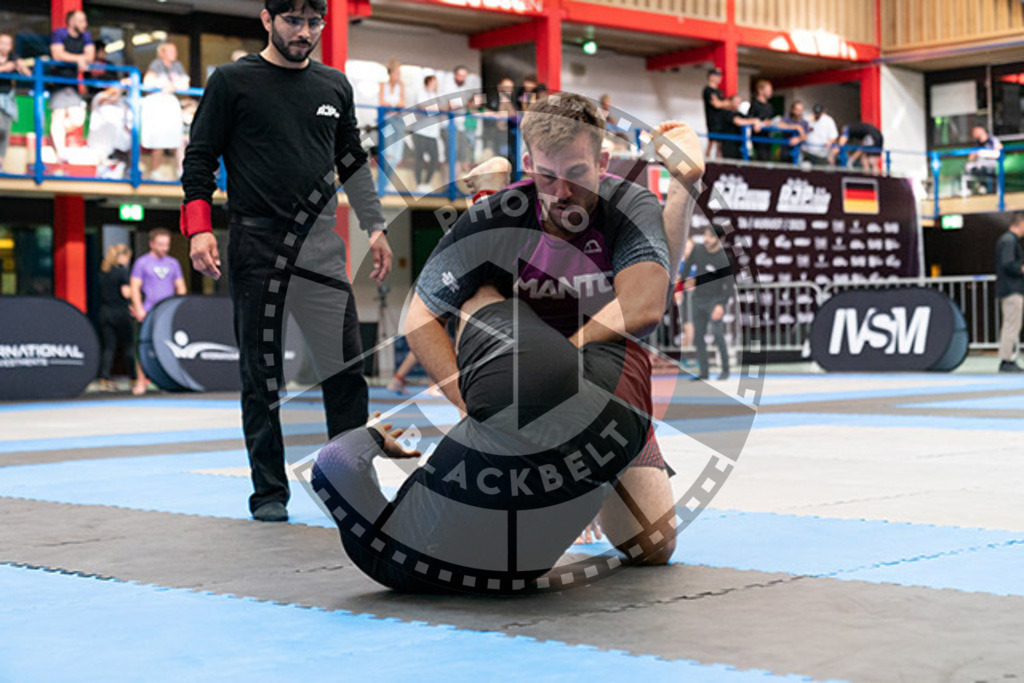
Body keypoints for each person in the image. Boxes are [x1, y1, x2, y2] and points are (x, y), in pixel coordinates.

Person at [403, 95, 705, 567]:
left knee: (652, 547)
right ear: (529, 165)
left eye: (578, 175)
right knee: (479, 295)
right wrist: (472, 407)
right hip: (516, 371)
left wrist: (685, 188)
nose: (562, 192)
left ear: (603, 163)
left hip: (601, 383)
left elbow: (647, 302)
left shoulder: (627, 204)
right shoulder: (504, 214)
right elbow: (418, 319)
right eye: (547, 177)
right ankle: (483, 194)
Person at [181, 0, 392, 523]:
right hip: (257, 246)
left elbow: (352, 162)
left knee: (346, 373)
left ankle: (352, 485)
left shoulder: (334, 86)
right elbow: (200, 157)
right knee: (262, 375)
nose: (304, 32)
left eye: (313, 21)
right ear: (267, 20)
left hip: (322, 247)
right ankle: (269, 492)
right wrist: (199, 226)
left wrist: (375, 224)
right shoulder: (231, 81)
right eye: (293, 21)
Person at [130, 228, 187, 395]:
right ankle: (141, 382)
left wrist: (178, 308)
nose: (165, 248)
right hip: (148, 311)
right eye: (161, 244)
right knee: (142, 347)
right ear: (152, 244)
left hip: (166, 312)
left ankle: (167, 380)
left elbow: (181, 287)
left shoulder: (173, 263)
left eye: (167, 245)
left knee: (168, 346)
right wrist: (139, 308)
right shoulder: (142, 263)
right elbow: (134, 287)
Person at [685, 225, 732, 381]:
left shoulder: (724, 259)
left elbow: (729, 286)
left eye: (711, 237)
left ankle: (725, 370)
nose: (706, 239)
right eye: (705, 235)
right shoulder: (697, 250)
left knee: (718, 335)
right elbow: (687, 266)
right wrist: (684, 280)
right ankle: (704, 372)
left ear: (720, 240)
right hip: (698, 298)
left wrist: (721, 305)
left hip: (715, 301)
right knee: (698, 337)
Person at [49, 10, 95, 163]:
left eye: (85, 20)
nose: (85, 24)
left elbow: (90, 56)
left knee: (78, 118)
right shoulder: (59, 33)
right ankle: (60, 152)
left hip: (73, 83)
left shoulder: (86, 36)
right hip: (57, 81)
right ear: (71, 22)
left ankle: (56, 134)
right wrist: (79, 59)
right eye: (81, 21)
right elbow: (57, 54)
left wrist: (78, 59)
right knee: (59, 114)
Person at [143, 42, 190, 180]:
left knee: (178, 138)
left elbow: (185, 84)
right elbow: (148, 82)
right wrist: (164, 84)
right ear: (163, 52)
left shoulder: (177, 66)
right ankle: (155, 170)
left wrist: (172, 86)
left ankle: (181, 171)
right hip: (157, 105)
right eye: (171, 51)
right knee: (159, 138)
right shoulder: (156, 64)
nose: (174, 53)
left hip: (170, 106)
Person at [97, 244, 135, 391]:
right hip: (121, 312)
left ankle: (104, 378)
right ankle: (133, 377)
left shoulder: (103, 272)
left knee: (109, 347)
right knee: (128, 346)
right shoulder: (122, 272)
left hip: (105, 312)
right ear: (123, 256)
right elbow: (126, 293)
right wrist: (136, 290)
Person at [996, 212, 1024, 373]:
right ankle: (1006, 359)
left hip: (1011, 289)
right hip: (1011, 290)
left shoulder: (1010, 241)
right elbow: (1008, 264)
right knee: (1011, 325)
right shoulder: (1008, 241)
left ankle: (1008, 358)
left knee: (1012, 325)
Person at [0, 34, 31, 169]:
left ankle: (1, 163)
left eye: (7, 43)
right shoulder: (8, 63)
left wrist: (21, 66)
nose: (4, 46)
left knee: (5, 132)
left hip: (7, 98)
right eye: (2, 43)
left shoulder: (13, 58)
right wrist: (5, 68)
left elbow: (28, 74)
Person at [412, 74, 443, 193]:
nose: (436, 84)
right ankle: (419, 183)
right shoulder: (421, 93)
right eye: (434, 82)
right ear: (428, 82)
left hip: (433, 133)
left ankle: (427, 183)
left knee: (435, 159)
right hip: (420, 131)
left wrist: (435, 109)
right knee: (419, 158)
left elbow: (442, 109)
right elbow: (423, 108)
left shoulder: (437, 96)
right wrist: (434, 109)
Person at [378, 58, 406, 177]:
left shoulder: (401, 86)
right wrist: (393, 106)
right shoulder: (383, 85)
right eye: (396, 73)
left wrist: (391, 106)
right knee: (387, 153)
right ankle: (381, 181)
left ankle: (387, 180)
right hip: (387, 120)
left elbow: (402, 104)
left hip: (398, 121)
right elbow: (381, 103)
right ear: (390, 73)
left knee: (396, 155)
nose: (398, 76)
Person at [719, 94, 763, 160]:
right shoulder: (726, 113)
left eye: (740, 102)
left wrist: (756, 122)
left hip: (740, 146)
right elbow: (739, 121)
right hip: (729, 146)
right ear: (730, 102)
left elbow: (749, 120)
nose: (738, 104)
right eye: (736, 101)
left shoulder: (741, 114)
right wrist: (754, 121)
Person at [963, 126, 1002, 195]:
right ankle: (969, 189)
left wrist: (984, 153)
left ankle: (982, 186)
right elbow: (970, 158)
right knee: (968, 166)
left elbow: (998, 151)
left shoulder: (992, 140)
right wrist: (975, 154)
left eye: (976, 132)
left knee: (980, 166)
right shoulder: (977, 143)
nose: (974, 134)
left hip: (991, 163)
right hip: (978, 163)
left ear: (982, 131)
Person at [702, 68, 727, 159]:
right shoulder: (708, 90)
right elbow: (716, 104)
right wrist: (725, 104)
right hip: (713, 120)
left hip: (721, 120)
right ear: (711, 77)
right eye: (717, 75)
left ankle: (718, 162)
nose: (719, 78)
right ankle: (707, 160)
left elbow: (723, 103)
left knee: (720, 144)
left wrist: (723, 104)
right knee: (712, 141)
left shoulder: (720, 92)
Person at [748, 79, 775, 162]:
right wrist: (761, 123)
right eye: (768, 90)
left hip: (768, 138)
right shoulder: (754, 105)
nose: (770, 92)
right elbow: (749, 119)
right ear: (760, 91)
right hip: (757, 139)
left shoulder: (769, 106)